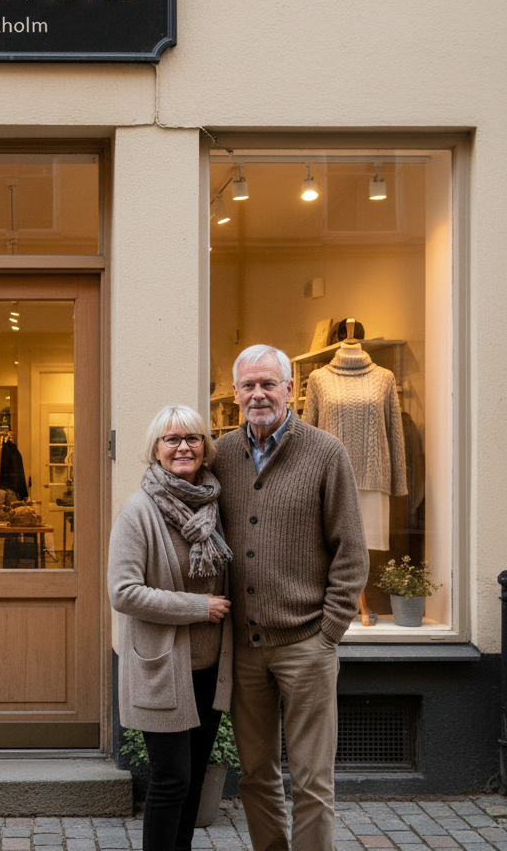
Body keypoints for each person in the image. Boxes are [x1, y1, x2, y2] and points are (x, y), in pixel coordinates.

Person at [212, 345, 369, 851]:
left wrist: (330, 632)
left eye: (268, 384)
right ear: (235, 393)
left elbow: (351, 550)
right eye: (249, 385)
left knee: (312, 781)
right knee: (256, 776)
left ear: (290, 388)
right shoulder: (220, 454)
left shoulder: (326, 452)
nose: (258, 394)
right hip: (245, 649)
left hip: (307, 645)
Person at [108, 405, 233, 851]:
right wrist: (197, 607)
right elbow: (124, 592)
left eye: (192, 438)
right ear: (156, 449)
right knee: (171, 779)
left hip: (211, 669)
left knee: (194, 779)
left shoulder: (216, 505)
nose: (183, 447)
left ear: (205, 447)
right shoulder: (138, 511)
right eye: (172, 439)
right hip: (163, 668)